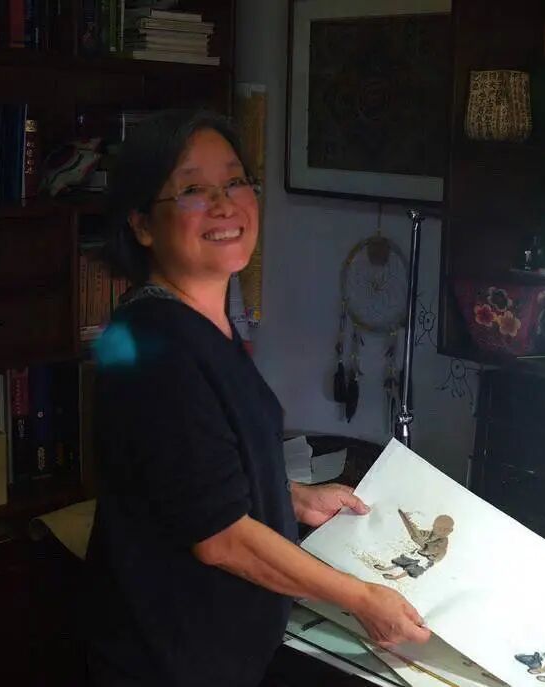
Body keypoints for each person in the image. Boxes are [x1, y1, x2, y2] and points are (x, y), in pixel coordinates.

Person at [84, 109, 430, 687]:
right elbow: (219, 537)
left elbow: (188, 474)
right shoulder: (158, 349)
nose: (224, 204)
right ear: (142, 224)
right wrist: (361, 597)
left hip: (209, 652)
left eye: (235, 181)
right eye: (192, 189)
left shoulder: (197, 324)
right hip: (163, 659)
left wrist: (290, 496)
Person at [374, 509, 454, 580]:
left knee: (412, 569)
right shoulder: (430, 533)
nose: (442, 531)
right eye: (439, 528)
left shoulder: (443, 541)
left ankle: (396, 577)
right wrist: (410, 523)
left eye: (445, 530)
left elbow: (432, 550)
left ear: (450, 531)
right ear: (433, 526)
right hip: (421, 552)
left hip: (430, 558)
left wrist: (422, 545)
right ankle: (386, 568)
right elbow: (418, 534)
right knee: (404, 560)